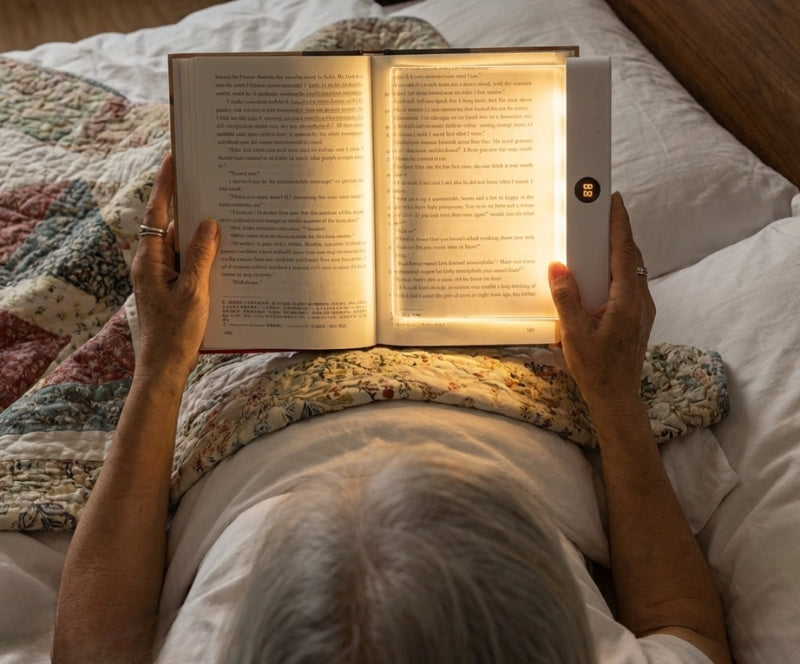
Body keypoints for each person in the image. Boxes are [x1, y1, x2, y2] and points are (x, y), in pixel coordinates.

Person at [51, 155, 732, 664]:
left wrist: (160, 368)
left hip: (254, 394)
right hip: (503, 384)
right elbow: (684, 623)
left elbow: (93, 645)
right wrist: (616, 399)